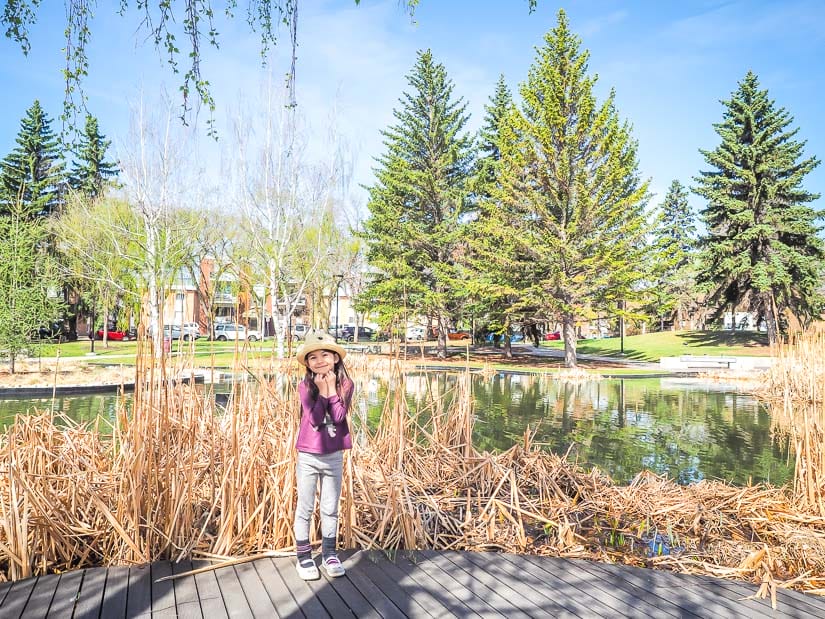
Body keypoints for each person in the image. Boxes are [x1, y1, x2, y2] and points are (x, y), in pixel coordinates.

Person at [293, 329, 353, 580]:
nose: (319, 361)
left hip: (333, 455)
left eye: (325, 355)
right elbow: (316, 419)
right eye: (313, 357)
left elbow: (339, 417)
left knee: (330, 507)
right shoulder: (305, 386)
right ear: (307, 363)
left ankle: (329, 553)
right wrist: (322, 391)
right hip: (308, 455)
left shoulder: (346, 385)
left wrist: (330, 390)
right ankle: (304, 557)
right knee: (305, 507)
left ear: (336, 358)